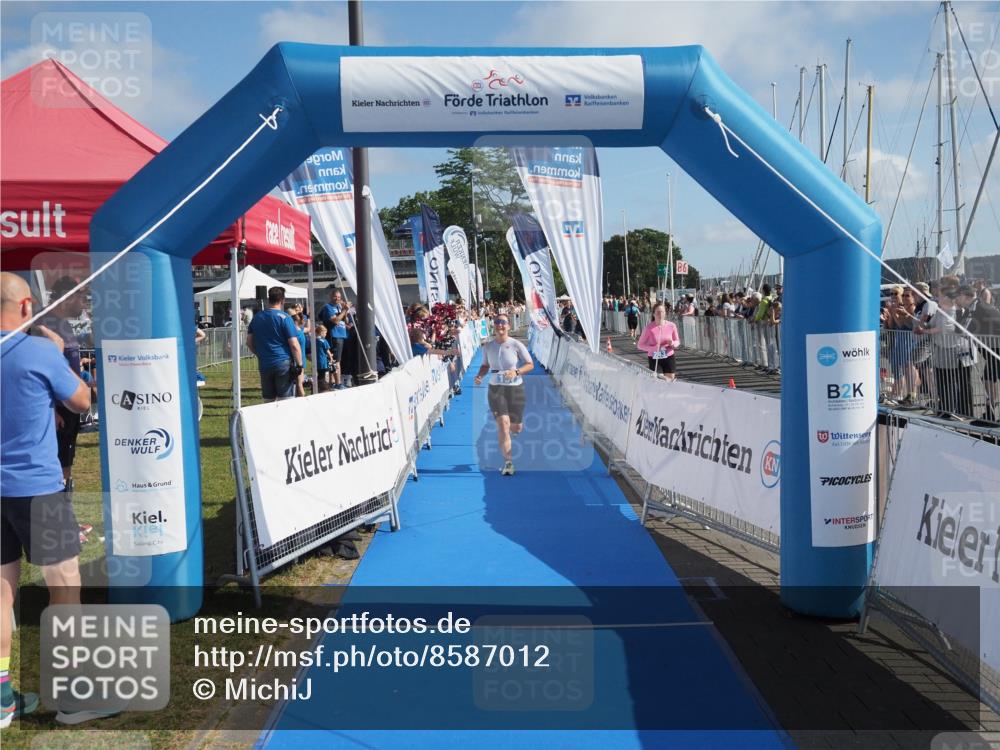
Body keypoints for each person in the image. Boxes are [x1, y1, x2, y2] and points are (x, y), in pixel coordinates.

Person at [1, 273, 93, 727]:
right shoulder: (39, 350)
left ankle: (2, 700)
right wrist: (58, 355)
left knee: (1, 594)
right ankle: (74, 697)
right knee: (65, 587)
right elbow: (81, 401)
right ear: (25, 307)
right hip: (37, 488)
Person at [473, 315, 534, 476]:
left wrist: (516, 372)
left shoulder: (515, 344)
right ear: (494, 325)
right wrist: (480, 375)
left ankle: (515, 429)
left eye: (503, 322)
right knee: (503, 424)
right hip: (496, 388)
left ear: (508, 326)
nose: (500, 325)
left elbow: (530, 364)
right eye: (497, 322)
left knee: (516, 427)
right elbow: (485, 365)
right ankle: (508, 462)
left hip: (515, 389)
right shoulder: (488, 346)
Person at [247, 286, 303, 402]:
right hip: (282, 363)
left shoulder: (257, 317)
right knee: (285, 400)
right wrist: (300, 364)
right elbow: (294, 344)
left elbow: (249, 342)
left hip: (265, 363)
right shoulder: (285, 318)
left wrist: (260, 354)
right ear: (283, 300)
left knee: (268, 401)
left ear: (269, 299)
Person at [637, 302, 680, 381]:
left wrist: (673, 344)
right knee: (659, 380)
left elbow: (677, 341)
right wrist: (654, 348)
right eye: (658, 312)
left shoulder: (671, 325)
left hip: (669, 356)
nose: (660, 314)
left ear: (665, 313)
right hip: (654, 357)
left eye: (662, 312)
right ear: (653, 314)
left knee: (670, 380)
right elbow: (640, 345)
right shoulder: (648, 328)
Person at [319, 289, 351, 388]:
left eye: (339, 297)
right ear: (331, 296)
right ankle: (337, 383)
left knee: (338, 360)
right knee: (336, 361)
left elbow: (346, 320)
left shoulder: (339, 307)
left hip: (342, 335)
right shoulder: (328, 307)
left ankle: (334, 382)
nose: (337, 299)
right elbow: (336, 321)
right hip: (334, 336)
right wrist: (344, 310)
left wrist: (345, 311)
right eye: (335, 297)